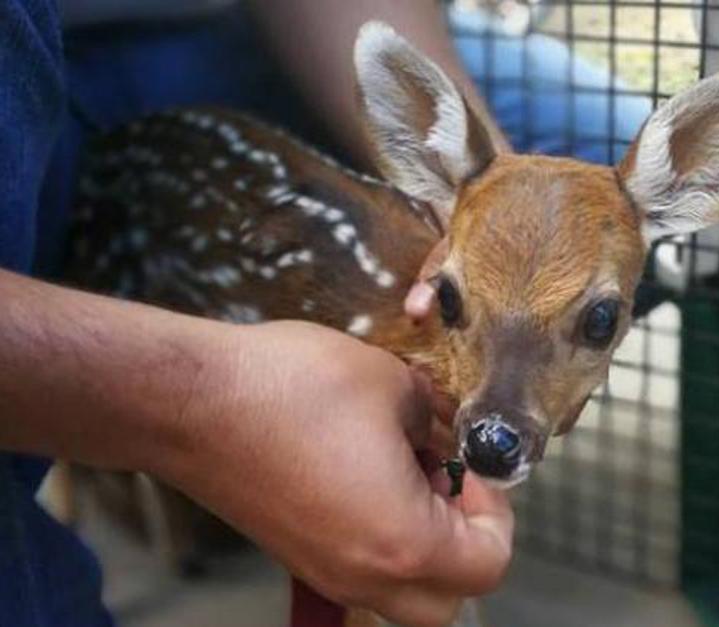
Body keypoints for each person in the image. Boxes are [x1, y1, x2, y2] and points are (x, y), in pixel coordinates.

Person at [0, 2, 649, 626]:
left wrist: (500, 197)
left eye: (595, 324)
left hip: (225, 32)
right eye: (453, 301)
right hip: (35, 63)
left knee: (601, 126)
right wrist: (199, 407)